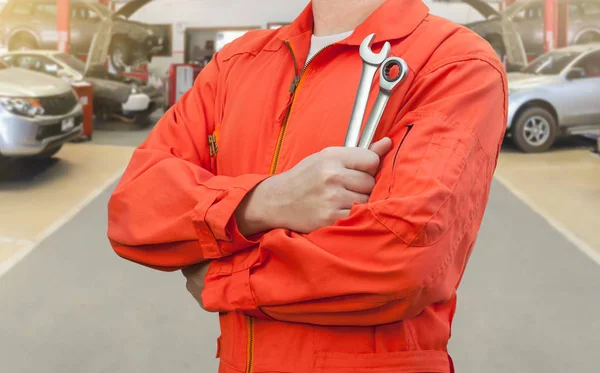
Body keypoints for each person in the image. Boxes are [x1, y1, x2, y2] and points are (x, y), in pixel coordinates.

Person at [108, 0, 507, 371]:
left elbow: (400, 263)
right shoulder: (237, 63)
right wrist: (265, 202)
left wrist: (221, 279)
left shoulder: (455, 62)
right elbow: (134, 210)